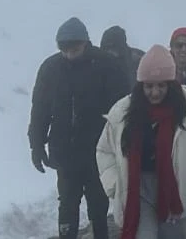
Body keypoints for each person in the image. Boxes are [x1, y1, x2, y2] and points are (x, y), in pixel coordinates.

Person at [97, 46, 186, 239]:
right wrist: (115, 185)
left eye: (161, 86)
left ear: (171, 84)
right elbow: (104, 151)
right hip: (138, 190)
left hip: (175, 190)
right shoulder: (123, 113)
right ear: (140, 85)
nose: (155, 92)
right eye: (149, 86)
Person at [32, 17, 130, 239]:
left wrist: (123, 145)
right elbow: (40, 110)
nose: (69, 53)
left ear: (85, 43)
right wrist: (36, 145)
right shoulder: (50, 69)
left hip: (99, 149)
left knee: (98, 201)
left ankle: (101, 234)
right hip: (65, 151)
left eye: (74, 48)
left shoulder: (106, 65)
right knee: (67, 202)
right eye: (64, 49)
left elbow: (122, 110)